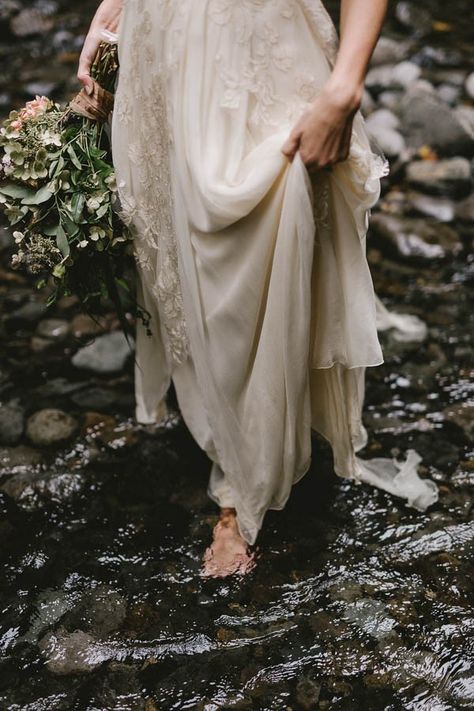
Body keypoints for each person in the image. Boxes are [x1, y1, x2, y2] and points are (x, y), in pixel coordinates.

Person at [78, 0, 439, 578]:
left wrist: (345, 88)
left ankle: (242, 490)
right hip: (161, 41)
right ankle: (234, 444)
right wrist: (113, 11)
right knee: (180, 249)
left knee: (254, 234)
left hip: (254, 43)